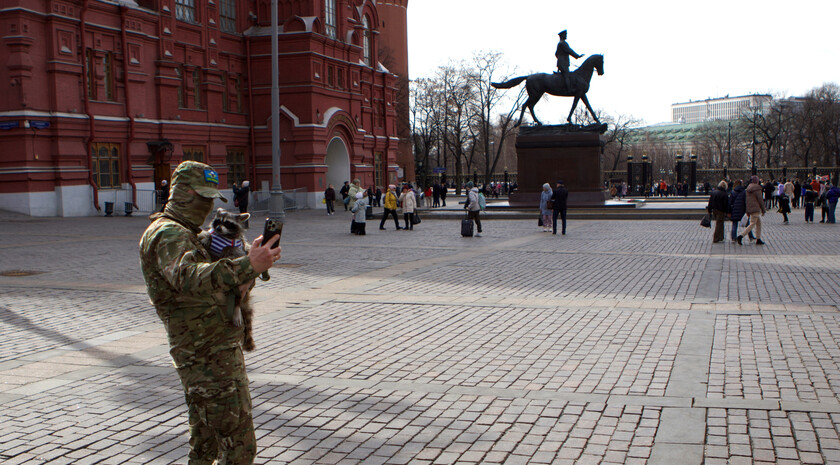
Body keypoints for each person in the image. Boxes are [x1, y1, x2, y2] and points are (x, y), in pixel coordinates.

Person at [139, 161, 281, 464]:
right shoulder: (168, 234)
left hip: (212, 353)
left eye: (210, 199)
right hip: (206, 358)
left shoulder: (187, 233)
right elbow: (188, 277)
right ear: (180, 193)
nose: (205, 206)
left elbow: (213, 288)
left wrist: (250, 264)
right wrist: (246, 265)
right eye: (200, 197)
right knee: (239, 448)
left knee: (205, 447)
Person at [738, 176, 767, 245]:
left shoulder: (748, 188)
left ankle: (758, 238)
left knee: (758, 223)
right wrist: (763, 209)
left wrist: (747, 210)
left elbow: (747, 200)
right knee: (752, 223)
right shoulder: (757, 188)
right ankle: (741, 236)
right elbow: (760, 200)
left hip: (750, 208)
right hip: (756, 208)